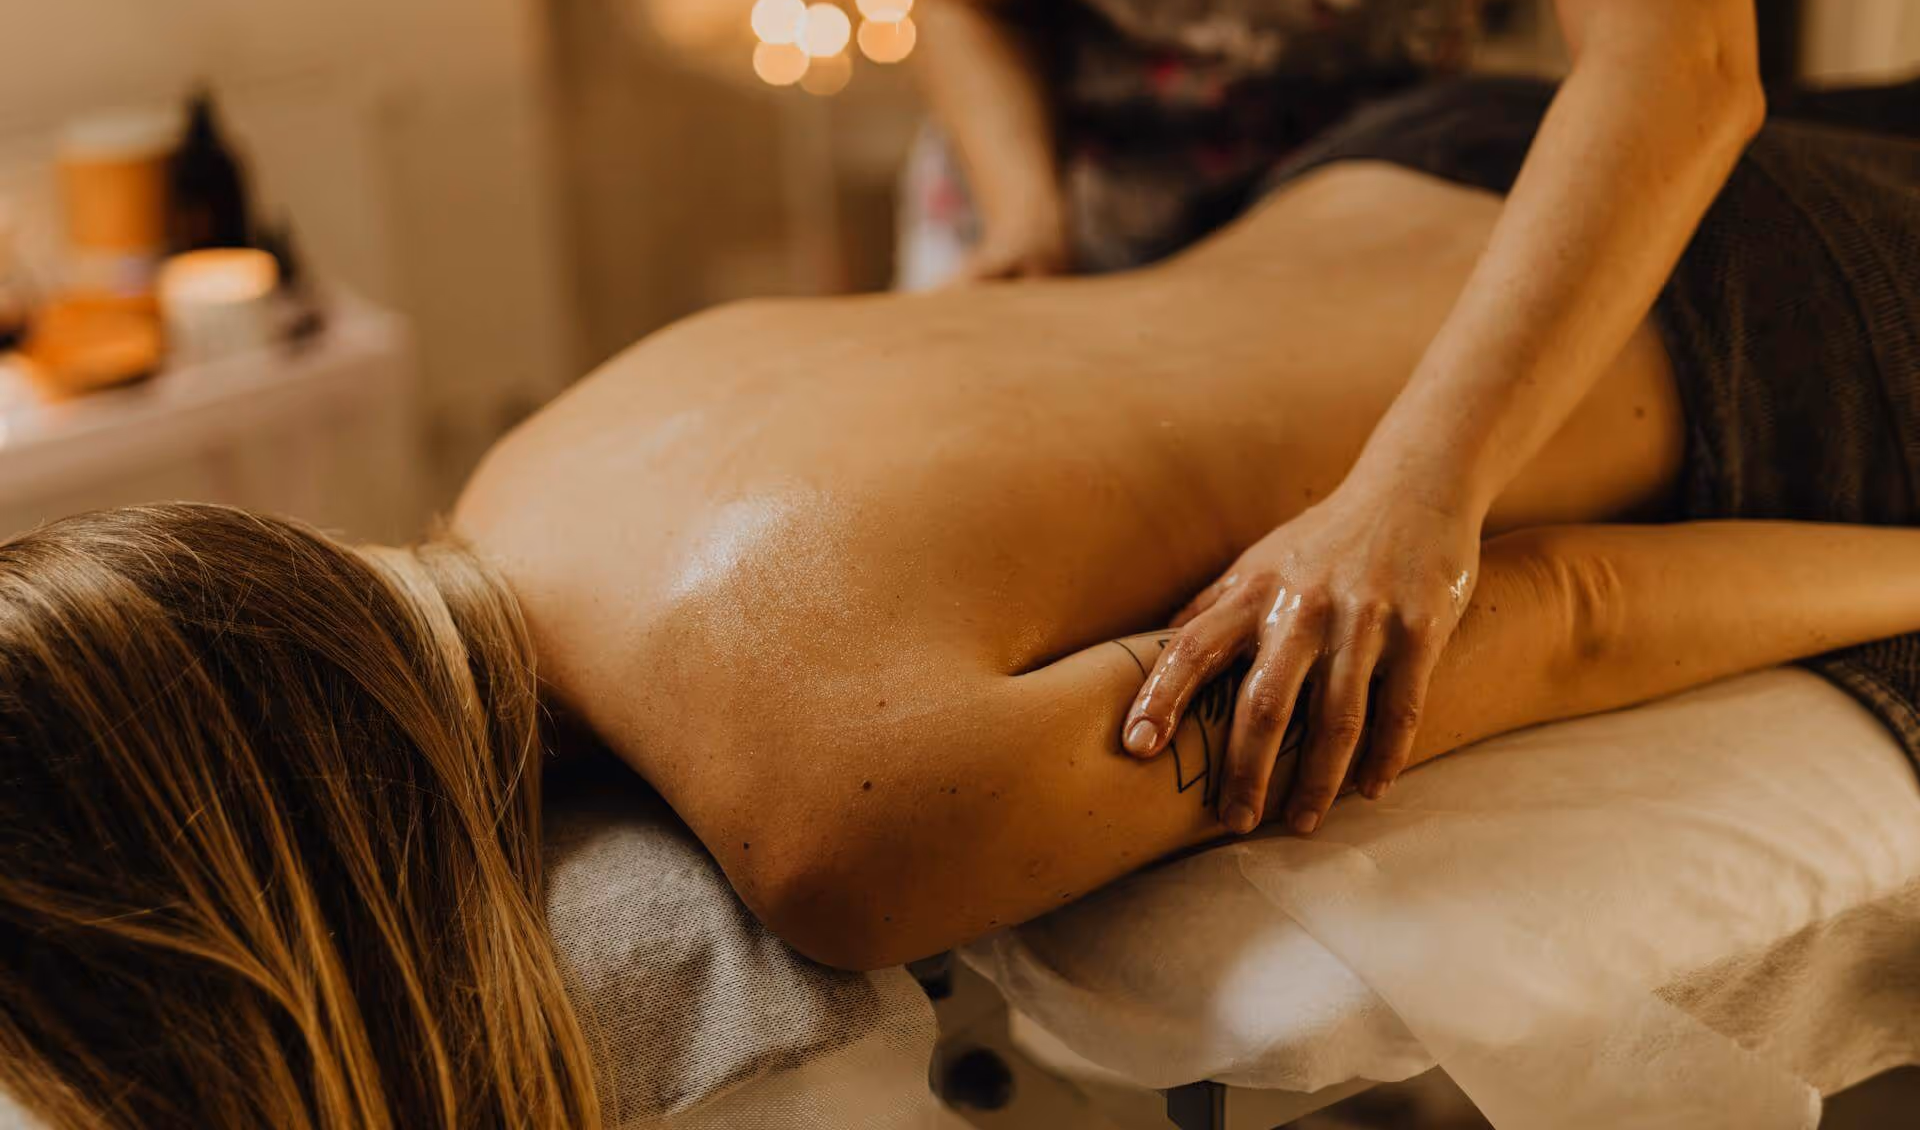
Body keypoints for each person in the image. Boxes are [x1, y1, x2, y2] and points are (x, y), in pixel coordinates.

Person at [4, 81, 1918, 1128]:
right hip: (1441, 159)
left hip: (1754, 329)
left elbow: (1558, 604)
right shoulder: (546, 453)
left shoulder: (841, 824)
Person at [869, 0, 1768, 841]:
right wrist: (1029, 226)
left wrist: (1421, 486)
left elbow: (1682, 55)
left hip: (1365, 206)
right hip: (1046, 200)